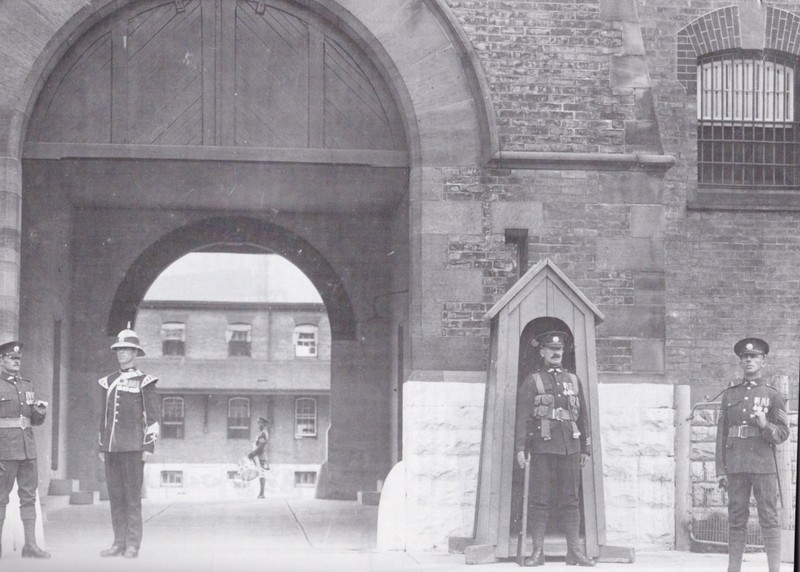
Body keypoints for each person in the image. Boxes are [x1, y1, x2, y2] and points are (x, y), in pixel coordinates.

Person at [514, 331, 594, 567]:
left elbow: (583, 417)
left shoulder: (573, 380)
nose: (556, 353)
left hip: (571, 447)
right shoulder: (534, 381)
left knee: (572, 499)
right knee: (540, 500)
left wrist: (586, 448)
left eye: (559, 349)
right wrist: (521, 448)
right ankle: (538, 553)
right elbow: (522, 418)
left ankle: (574, 553)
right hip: (543, 447)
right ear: (542, 353)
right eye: (551, 349)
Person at [715, 337, 789, 572]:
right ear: (740, 362)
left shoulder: (773, 395)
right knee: (736, 519)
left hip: (763, 465)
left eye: (754, 356)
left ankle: (774, 569)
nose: (748, 360)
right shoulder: (729, 395)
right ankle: (733, 569)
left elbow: (783, 434)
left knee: (769, 518)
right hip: (736, 466)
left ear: (763, 361)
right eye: (745, 357)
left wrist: (765, 424)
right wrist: (720, 470)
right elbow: (721, 435)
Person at [98, 327, 160, 559]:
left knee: (132, 498)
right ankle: (118, 543)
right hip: (111, 448)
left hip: (134, 448)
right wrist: (101, 445)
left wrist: (148, 446)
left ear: (135, 352)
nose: (122, 353)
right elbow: (102, 416)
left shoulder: (145, 381)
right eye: (119, 349)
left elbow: (152, 417)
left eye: (127, 349)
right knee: (116, 497)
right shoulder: (108, 381)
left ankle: (132, 544)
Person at [0, 341, 50, 559]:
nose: (16, 361)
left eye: (19, 358)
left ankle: (29, 545)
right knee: (0, 498)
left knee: (28, 497)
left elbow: (34, 421)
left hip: (28, 449)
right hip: (4, 449)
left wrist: (39, 413)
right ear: (1, 360)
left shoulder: (27, 385)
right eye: (11, 358)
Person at [247, 416, 270, 498]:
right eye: (258, 423)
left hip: (261, 456)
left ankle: (262, 493)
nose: (258, 425)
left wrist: (252, 453)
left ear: (264, 424)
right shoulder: (261, 433)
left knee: (262, 473)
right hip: (258, 456)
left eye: (260, 423)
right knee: (260, 473)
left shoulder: (264, 433)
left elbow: (261, 447)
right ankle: (261, 493)